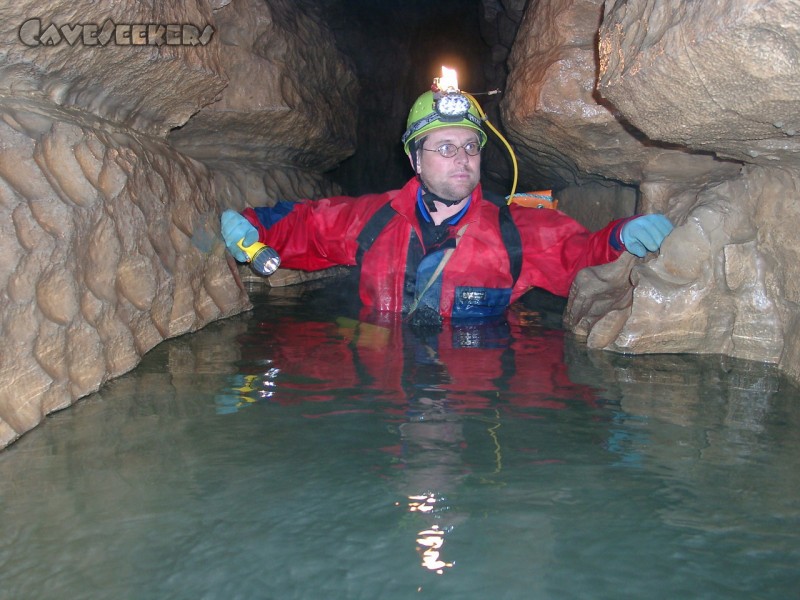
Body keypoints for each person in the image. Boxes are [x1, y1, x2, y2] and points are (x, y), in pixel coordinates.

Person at [220, 84, 673, 323]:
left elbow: (579, 256)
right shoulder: (370, 220)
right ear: (415, 159)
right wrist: (247, 226)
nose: (463, 159)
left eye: (470, 147)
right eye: (445, 148)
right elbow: (300, 225)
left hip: (474, 395)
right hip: (382, 394)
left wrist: (619, 236)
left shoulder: (517, 231)